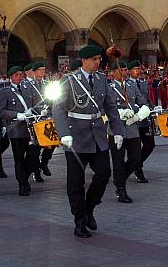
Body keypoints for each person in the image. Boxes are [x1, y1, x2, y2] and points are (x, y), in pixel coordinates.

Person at [53, 44, 124, 238]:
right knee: (75, 182)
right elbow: (58, 108)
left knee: (103, 173)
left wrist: (117, 131)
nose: (97, 62)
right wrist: (63, 133)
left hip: (98, 135)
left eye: (99, 59)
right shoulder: (69, 80)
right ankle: (79, 220)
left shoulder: (101, 79)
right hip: (75, 136)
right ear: (84, 61)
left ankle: (89, 208)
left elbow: (110, 106)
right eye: (93, 59)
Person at [107, 59, 149, 203]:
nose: (124, 73)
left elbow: (142, 101)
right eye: (121, 70)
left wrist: (139, 114)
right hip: (116, 129)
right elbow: (106, 107)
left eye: (125, 70)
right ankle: (121, 189)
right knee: (118, 161)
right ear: (112, 73)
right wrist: (121, 113)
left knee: (136, 158)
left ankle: (119, 178)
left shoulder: (131, 85)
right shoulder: (109, 87)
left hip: (132, 128)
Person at [0, 66, 39, 196]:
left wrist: (38, 111)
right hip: (17, 130)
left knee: (34, 155)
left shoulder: (28, 88)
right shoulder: (5, 92)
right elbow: (1, 111)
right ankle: (23, 183)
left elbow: (36, 103)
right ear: (10, 77)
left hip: (31, 128)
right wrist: (16, 115)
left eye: (21, 74)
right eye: (16, 75)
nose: (19, 77)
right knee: (19, 158)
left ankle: (24, 176)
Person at [128, 60, 154, 182]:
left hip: (144, 120)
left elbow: (147, 99)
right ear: (129, 71)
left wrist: (153, 108)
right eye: (135, 69)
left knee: (150, 145)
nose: (138, 71)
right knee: (135, 148)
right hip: (133, 121)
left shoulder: (143, 83)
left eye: (139, 69)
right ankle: (138, 171)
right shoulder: (125, 84)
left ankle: (132, 165)